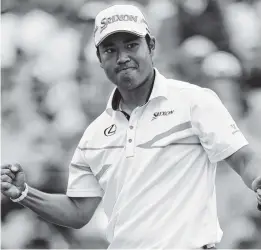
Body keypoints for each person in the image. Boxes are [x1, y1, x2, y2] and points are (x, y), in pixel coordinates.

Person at [1, 4, 261, 249]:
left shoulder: (194, 101)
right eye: (110, 50)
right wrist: (23, 193)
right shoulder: (94, 134)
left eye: (131, 45)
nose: (122, 57)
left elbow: (243, 158)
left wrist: (258, 181)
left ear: (151, 46)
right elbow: (79, 212)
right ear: (99, 58)